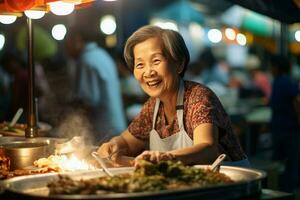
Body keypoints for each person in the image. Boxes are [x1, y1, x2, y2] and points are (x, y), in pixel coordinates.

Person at [97, 25, 249, 167]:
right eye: (140, 65)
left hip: (230, 185)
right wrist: (114, 144)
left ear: (179, 64)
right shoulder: (153, 107)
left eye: (156, 61)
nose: (148, 72)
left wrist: (165, 157)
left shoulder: (198, 97)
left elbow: (207, 149)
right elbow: (127, 142)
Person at [64, 26, 127, 142]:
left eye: (66, 43)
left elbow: (88, 100)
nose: (65, 49)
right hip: (116, 125)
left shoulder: (87, 59)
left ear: (77, 40)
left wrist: (68, 119)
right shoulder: (101, 54)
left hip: (103, 130)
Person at [269, 54, 300, 193]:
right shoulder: (279, 81)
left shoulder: (285, 81)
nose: (270, 69)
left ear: (277, 67)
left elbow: (297, 102)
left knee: (291, 162)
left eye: (272, 66)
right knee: (283, 161)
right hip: (281, 127)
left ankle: (288, 191)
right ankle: (282, 189)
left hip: (289, 128)